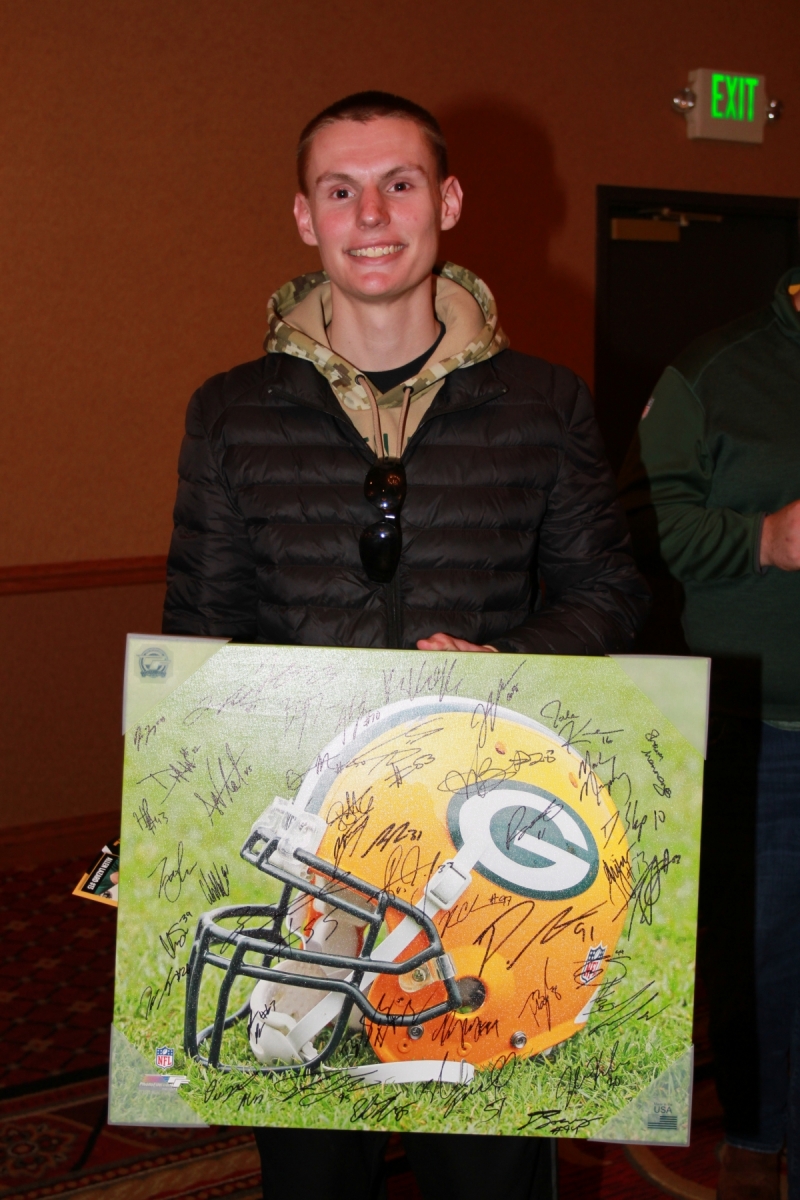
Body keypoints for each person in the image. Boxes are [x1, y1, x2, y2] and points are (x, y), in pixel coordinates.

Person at [164, 90, 648, 1200]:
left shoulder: (544, 403)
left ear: (448, 201)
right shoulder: (231, 410)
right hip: (314, 833)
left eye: (399, 183)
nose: (371, 214)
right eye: (341, 190)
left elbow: (610, 593)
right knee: (310, 1166)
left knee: (483, 1172)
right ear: (305, 216)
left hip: (472, 833)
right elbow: (200, 628)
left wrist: (508, 660)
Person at [619, 270, 800, 1200]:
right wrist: (763, 539)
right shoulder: (714, 372)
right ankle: (756, 1144)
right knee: (759, 959)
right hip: (760, 728)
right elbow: (640, 527)